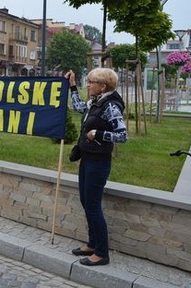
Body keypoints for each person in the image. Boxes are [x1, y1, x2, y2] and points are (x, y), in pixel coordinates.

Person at [64, 68, 127, 266]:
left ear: (103, 86)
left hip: (98, 163)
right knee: (86, 201)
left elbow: (122, 136)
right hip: (87, 159)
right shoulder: (95, 103)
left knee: (92, 206)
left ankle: (101, 253)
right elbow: (78, 108)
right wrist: (72, 85)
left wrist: (97, 134)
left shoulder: (110, 106)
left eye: (91, 82)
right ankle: (92, 243)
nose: (88, 85)